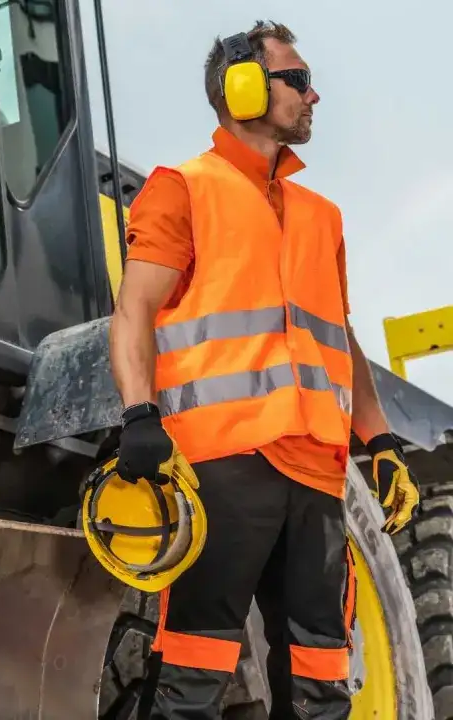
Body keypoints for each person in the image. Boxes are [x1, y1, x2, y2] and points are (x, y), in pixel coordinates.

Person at [107, 20, 420, 719]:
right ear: (243, 88)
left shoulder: (321, 217)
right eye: (299, 80)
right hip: (224, 468)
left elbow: (340, 341)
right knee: (193, 673)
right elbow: (134, 310)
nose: (316, 96)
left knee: (320, 680)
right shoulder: (182, 188)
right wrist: (139, 415)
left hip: (314, 477)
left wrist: (383, 442)